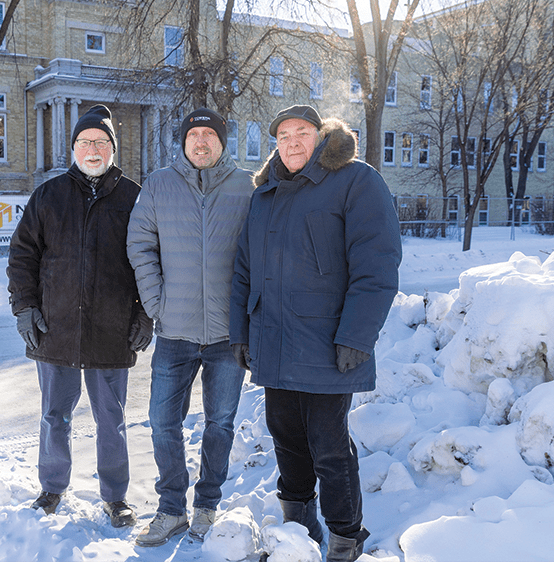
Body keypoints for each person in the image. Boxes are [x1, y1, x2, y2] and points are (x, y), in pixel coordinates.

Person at [229, 105, 402, 562]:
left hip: (328, 344)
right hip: (274, 342)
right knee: (286, 437)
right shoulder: (265, 194)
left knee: (328, 445)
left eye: (301, 133)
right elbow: (244, 271)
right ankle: (299, 530)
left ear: (320, 135)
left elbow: (377, 265)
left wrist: (357, 336)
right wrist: (240, 332)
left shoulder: (356, 181)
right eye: (283, 136)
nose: (292, 142)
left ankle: (345, 537)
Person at [6, 104, 153, 529]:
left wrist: (145, 315)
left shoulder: (134, 198)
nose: (93, 149)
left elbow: (150, 261)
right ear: (73, 148)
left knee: (112, 418)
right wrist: (25, 307)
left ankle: (115, 496)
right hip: (56, 328)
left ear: (113, 149)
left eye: (101, 142)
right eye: (85, 142)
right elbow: (22, 256)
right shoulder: (49, 196)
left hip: (112, 329)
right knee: (55, 415)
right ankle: (52, 487)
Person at [127, 108, 254, 546]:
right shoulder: (159, 184)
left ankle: (206, 505)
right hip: (174, 332)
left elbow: (260, 252)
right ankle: (170, 509)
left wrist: (248, 313)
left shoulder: (247, 186)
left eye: (209, 134)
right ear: (183, 142)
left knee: (220, 422)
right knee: (162, 422)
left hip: (227, 334)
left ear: (222, 141)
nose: (201, 141)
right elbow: (140, 243)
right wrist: (156, 301)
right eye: (193, 134)